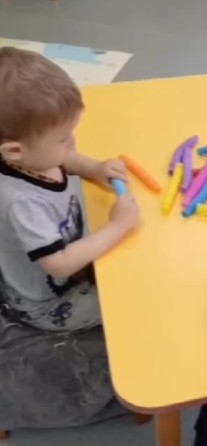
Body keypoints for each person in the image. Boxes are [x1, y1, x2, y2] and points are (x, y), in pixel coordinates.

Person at [0, 47, 140, 331]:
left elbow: (62, 159)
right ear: (14, 151)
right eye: (63, 138)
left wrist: (95, 168)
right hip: (48, 303)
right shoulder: (23, 201)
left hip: (72, 253)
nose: (73, 142)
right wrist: (118, 226)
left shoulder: (29, 156)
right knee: (130, 301)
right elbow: (59, 264)